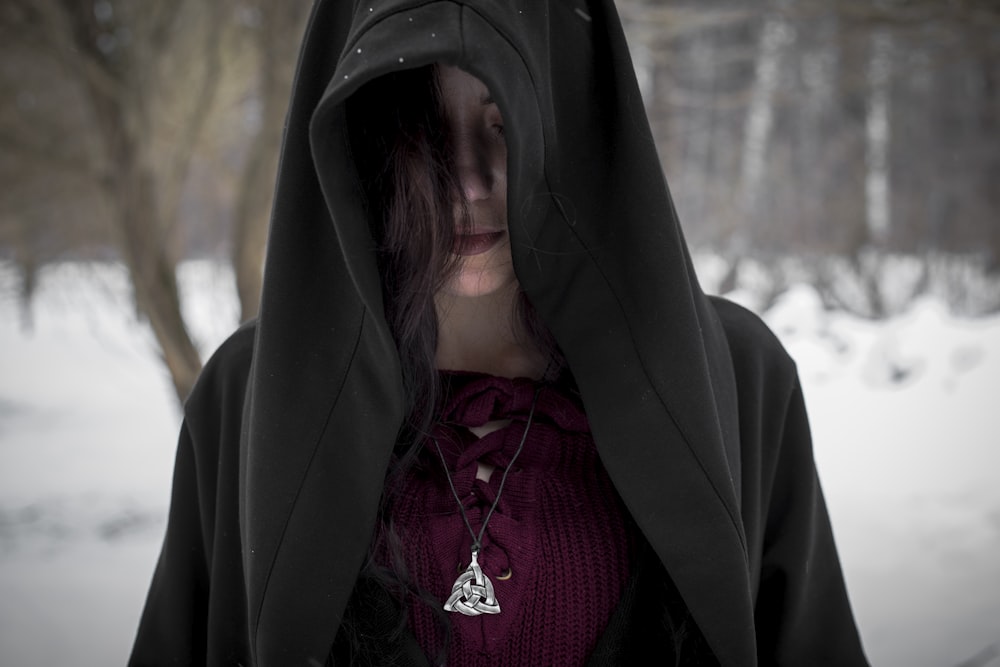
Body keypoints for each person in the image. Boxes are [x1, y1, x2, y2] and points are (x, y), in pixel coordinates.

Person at [130, 1, 870, 665]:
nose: (470, 183)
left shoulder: (736, 381)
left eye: (504, 124)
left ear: (574, 132)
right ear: (357, 139)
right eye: (422, 130)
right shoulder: (247, 395)